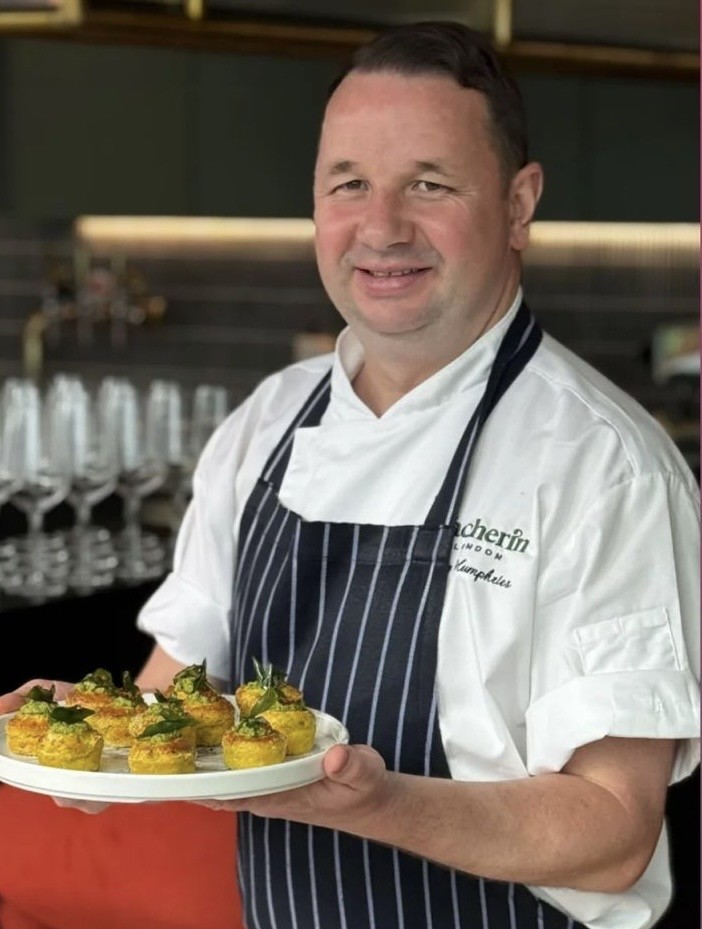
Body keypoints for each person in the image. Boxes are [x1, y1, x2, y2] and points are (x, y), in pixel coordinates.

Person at [2, 20, 699, 929]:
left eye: (429, 183)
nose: (382, 226)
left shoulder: (606, 465)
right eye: (350, 184)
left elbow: (613, 832)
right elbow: (171, 699)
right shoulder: (265, 424)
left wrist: (378, 801)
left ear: (519, 203)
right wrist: (93, 735)